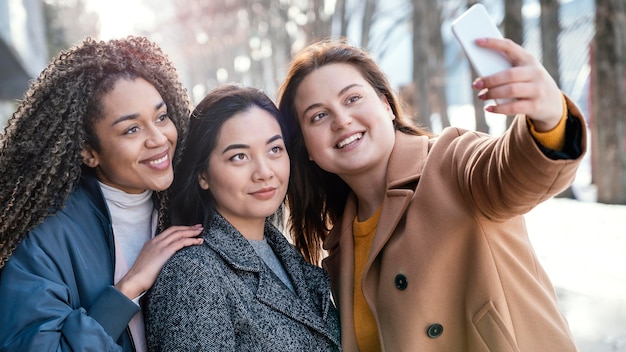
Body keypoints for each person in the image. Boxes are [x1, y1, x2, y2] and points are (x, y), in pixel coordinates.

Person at [277, 38, 585, 351]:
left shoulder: (451, 162)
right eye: (318, 116)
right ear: (308, 148)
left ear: (386, 105)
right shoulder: (341, 245)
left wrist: (548, 117)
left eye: (353, 98)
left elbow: (514, 170)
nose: (342, 120)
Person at [0, 36, 205, 351]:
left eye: (161, 117)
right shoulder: (46, 239)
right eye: (131, 130)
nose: (158, 139)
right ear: (88, 152)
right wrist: (127, 289)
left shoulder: (190, 208)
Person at [144, 84, 341, 351]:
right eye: (239, 156)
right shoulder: (193, 274)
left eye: (274, 150)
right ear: (202, 175)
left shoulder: (287, 256)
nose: (264, 172)